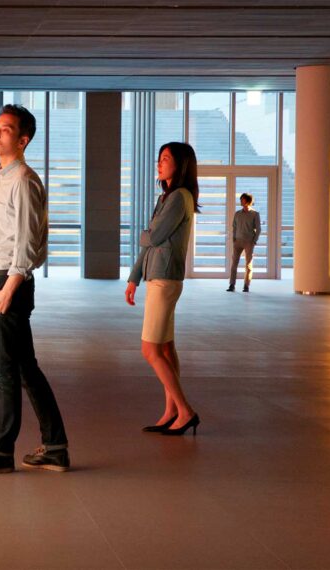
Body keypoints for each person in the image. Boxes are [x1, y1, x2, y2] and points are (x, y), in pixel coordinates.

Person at [0, 104, 69, 474]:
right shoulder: (5, 176)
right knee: (24, 369)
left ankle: (0, 449)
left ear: (22, 140)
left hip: (8, 281)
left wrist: (8, 287)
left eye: (4, 130)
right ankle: (55, 446)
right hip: (2, 278)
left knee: (3, 370)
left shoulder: (22, 179)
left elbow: (26, 241)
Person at [125, 142, 201, 437]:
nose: (159, 163)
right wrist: (133, 277)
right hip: (156, 276)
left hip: (165, 278)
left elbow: (153, 235)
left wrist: (145, 235)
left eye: (165, 159)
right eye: (159, 158)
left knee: (150, 349)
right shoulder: (166, 197)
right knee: (166, 347)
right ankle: (171, 411)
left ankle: (185, 411)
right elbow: (151, 241)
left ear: (180, 165)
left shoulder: (180, 197)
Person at [227, 193, 261, 292]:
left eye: (243, 199)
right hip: (237, 241)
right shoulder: (237, 213)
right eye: (240, 199)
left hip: (249, 242)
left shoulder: (255, 214)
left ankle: (246, 286)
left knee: (248, 265)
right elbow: (234, 226)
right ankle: (232, 285)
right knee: (234, 264)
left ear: (248, 201)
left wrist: (254, 241)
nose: (241, 201)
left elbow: (258, 229)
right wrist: (234, 238)